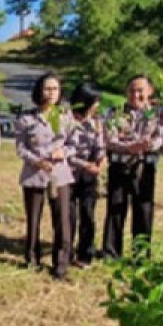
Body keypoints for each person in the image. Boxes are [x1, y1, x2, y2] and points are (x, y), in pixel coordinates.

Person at [16, 73, 75, 280]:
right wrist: (37, 161)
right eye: (47, 89)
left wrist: (63, 153)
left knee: (62, 220)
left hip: (59, 175)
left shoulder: (66, 117)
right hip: (34, 174)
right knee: (33, 219)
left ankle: (60, 264)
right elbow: (21, 148)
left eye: (55, 89)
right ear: (39, 91)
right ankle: (32, 258)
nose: (51, 93)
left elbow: (73, 144)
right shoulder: (27, 118)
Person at [101, 75, 163, 258]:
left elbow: (160, 138)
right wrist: (129, 147)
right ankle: (111, 252)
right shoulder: (116, 112)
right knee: (115, 209)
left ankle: (141, 254)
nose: (135, 95)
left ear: (150, 91)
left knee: (143, 212)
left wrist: (146, 146)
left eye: (140, 91)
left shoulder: (158, 113)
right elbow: (109, 139)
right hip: (119, 166)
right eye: (131, 90)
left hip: (144, 167)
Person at [66, 83, 105, 267]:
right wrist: (85, 165)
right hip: (69, 174)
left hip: (89, 177)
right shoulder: (67, 120)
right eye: (95, 101)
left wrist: (100, 160)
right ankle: (66, 252)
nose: (97, 105)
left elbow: (100, 146)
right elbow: (66, 151)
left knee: (88, 215)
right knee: (70, 216)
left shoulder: (96, 122)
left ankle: (85, 254)